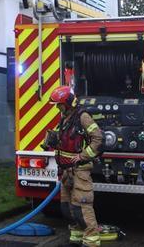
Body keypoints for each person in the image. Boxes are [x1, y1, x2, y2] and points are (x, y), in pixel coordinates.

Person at [44, 85, 104, 246]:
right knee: (67, 208)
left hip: (79, 170)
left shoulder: (83, 117)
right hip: (65, 171)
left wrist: (82, 156)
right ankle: (77, 237)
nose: (57, 107)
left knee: (81, 207)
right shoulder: (65, 116)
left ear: (68, 102)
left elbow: (98, 139)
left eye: (59, 104)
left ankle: (91, 240)